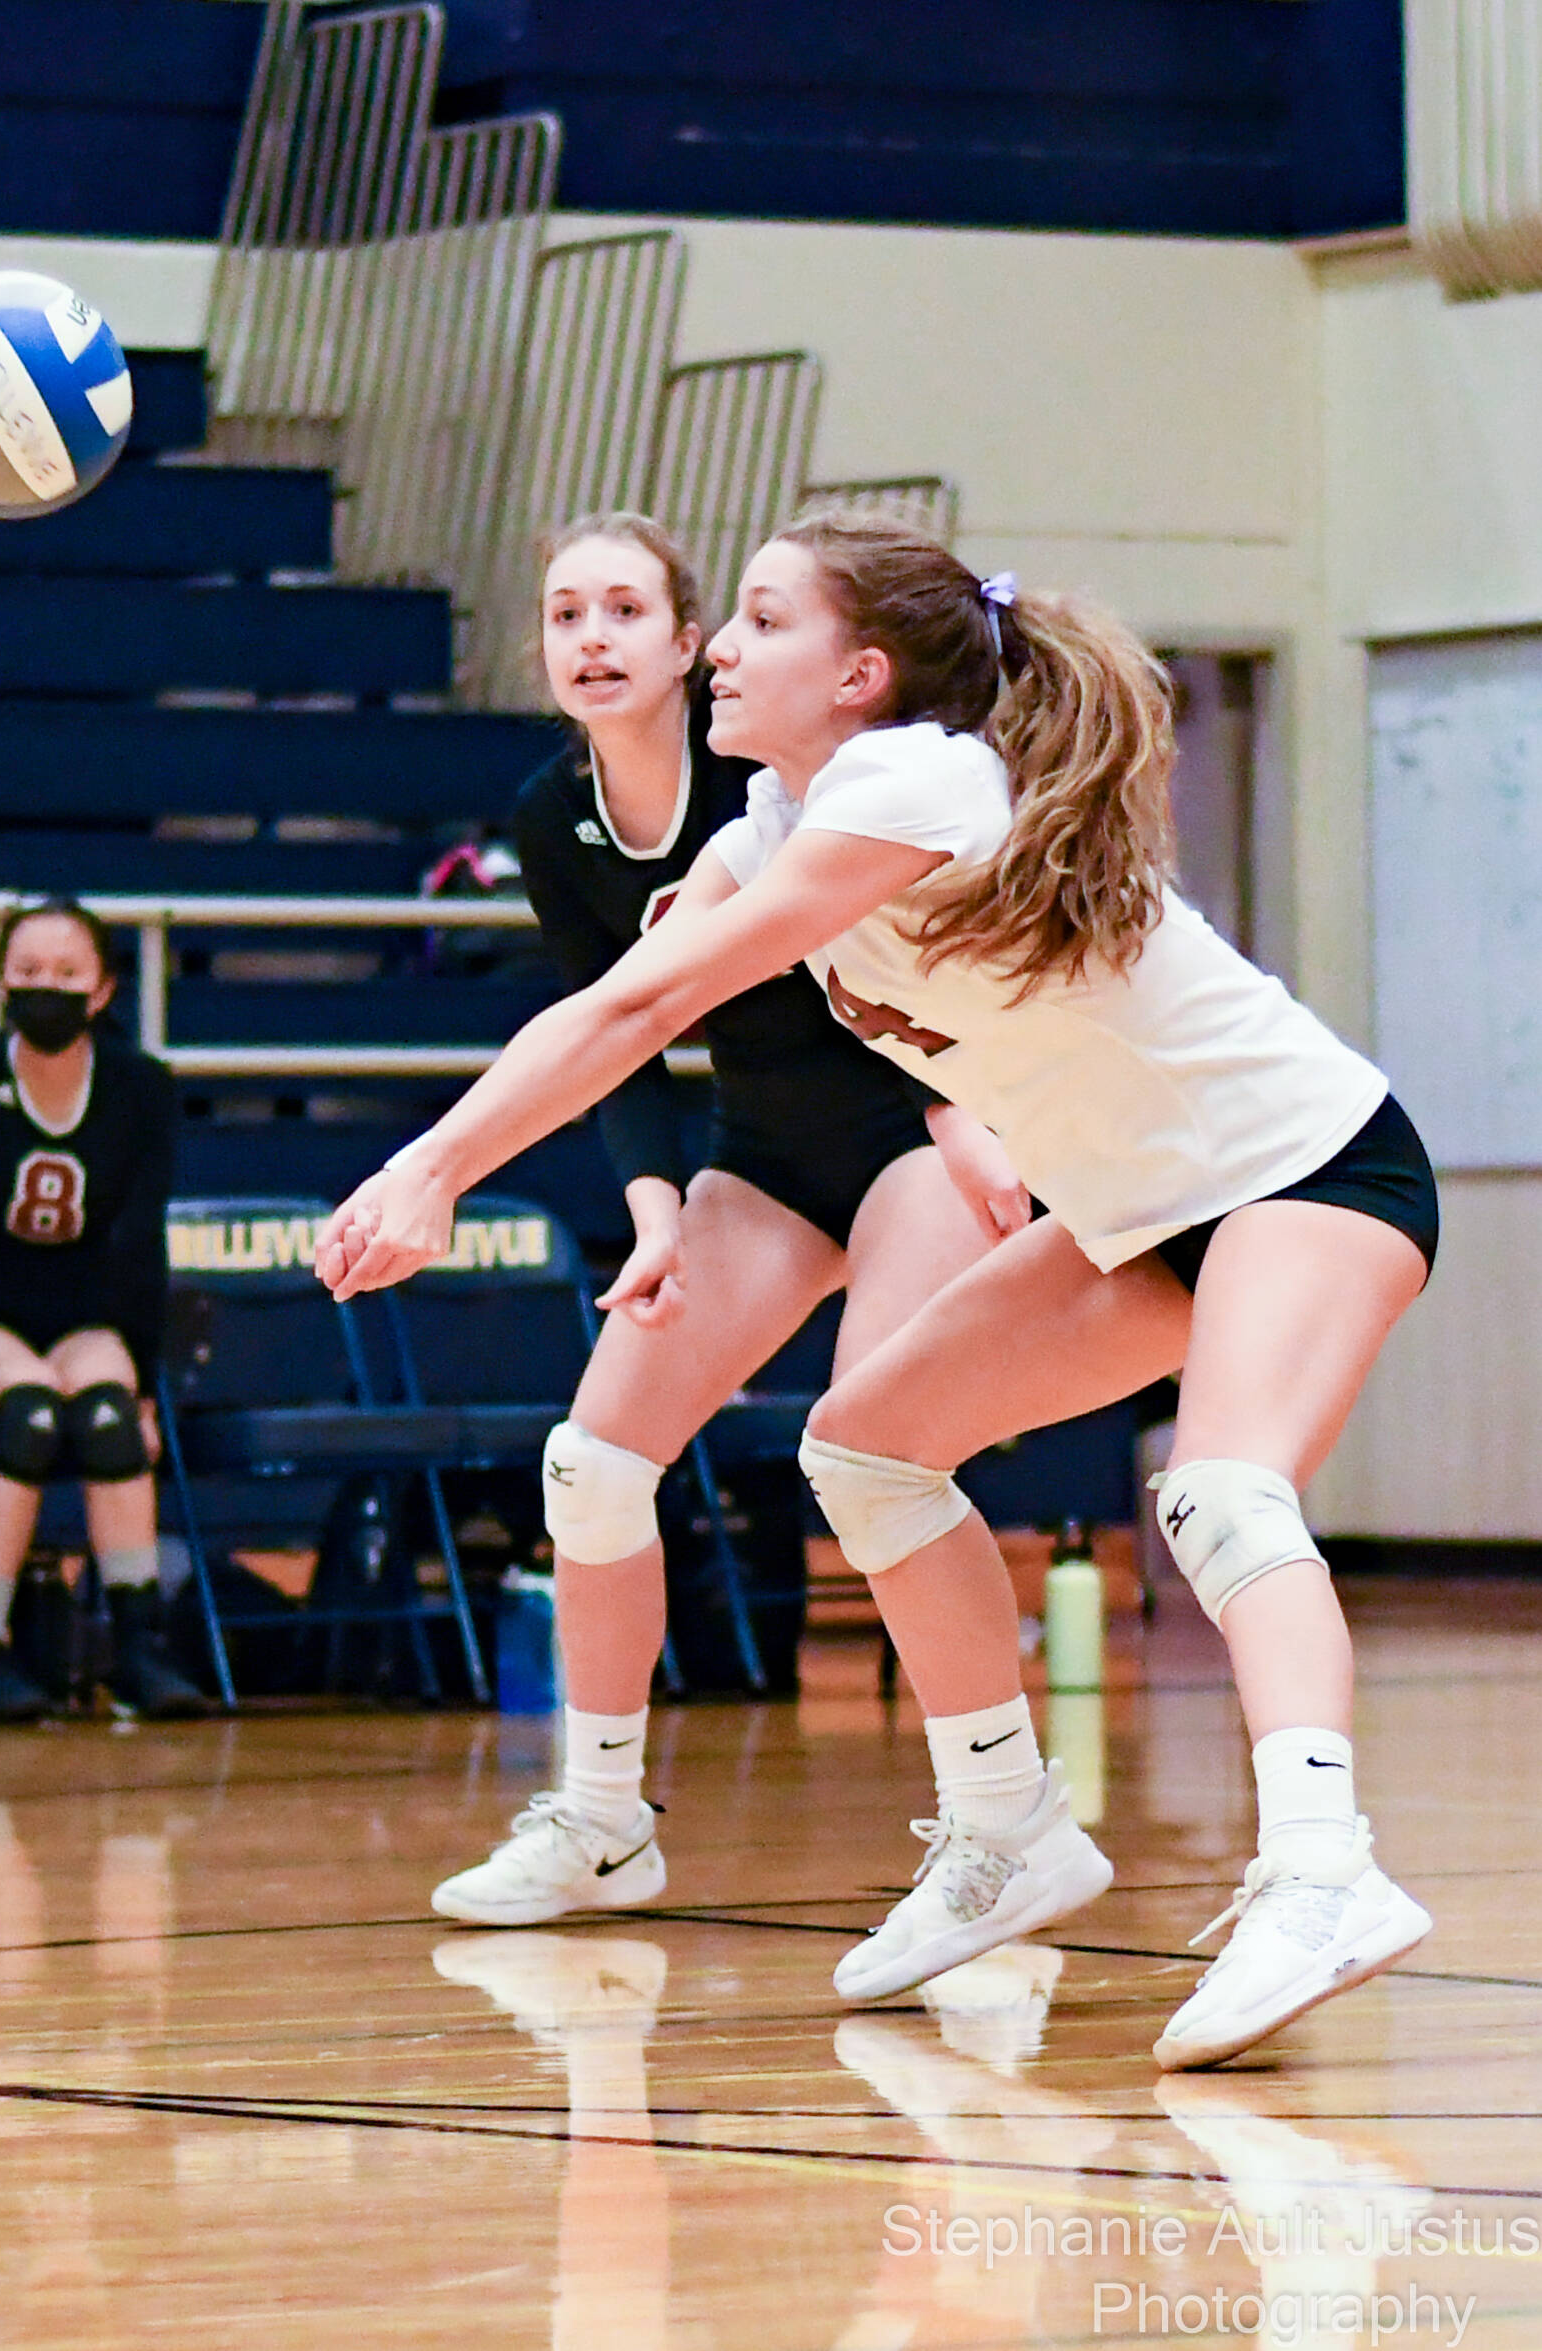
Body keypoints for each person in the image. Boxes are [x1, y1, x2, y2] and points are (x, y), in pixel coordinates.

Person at [318, 504, 1440, 2072]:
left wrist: (435, 1167)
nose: (717, 646)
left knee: (1223, 1489)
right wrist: (441, 1160)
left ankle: (1322, 1866)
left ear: (857, 672)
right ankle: (1008, 1828)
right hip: (1138, 1210)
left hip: (1308, 1163)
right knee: (864, 1446)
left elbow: (654, 994)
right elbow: (611, 1013)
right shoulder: (764, 833)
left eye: (758, 620)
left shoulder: (916, 777)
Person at [429, 511, 1026, 1928]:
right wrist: (649, 1207)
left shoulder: (768, 766)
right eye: (566, 611)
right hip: (760, 1153)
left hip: (907, 1127)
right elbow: (611, 1026)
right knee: (590, 1466)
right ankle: (601, 1819)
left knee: (876, 1463)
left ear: (686, 642)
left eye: (625, 609)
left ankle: (997, 1819)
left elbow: (897, 961)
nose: (592, 638)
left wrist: (963, 1103)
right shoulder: (546, 817)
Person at [0, 897, 208, 1723]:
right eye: (28, 972)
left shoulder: (140, 1086)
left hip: (89, 1315)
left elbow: (141, 1240)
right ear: (1, 982)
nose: (45, 986)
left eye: (66, 972)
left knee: (111, 1422)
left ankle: (138, 1643)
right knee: (29, 1416)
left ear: (103, 988)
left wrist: (146, 1384)